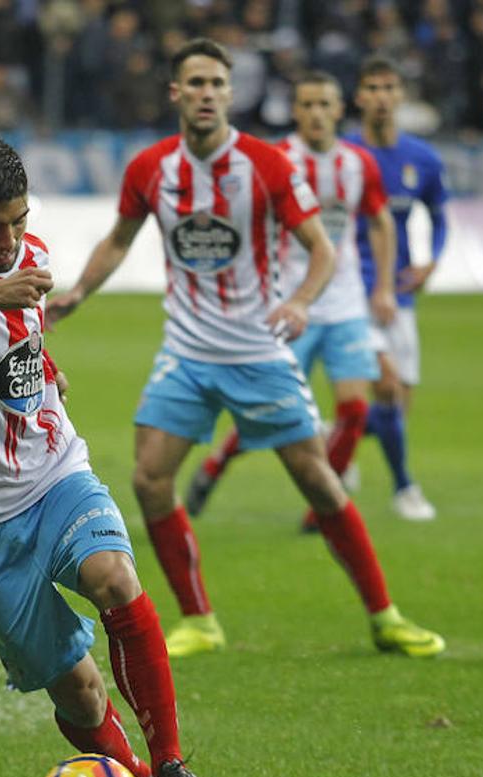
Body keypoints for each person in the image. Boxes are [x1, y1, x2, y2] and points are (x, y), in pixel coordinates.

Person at [48, 38, 445, 660]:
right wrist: (77, 293)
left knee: (318, 480)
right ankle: (198, 620)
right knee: (150, 478)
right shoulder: (153, 167)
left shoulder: (264, 164)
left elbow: (322, 248)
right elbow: (119, 239)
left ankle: (384, 615)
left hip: (258, 350)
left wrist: (301, 302)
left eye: (217, 84)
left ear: (230, 94)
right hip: (187, 350)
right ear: (176, 93)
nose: (207, 94)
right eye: (195, 83)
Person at [0, 135, 219, 777]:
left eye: (19, 220)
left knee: (115, 578)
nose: (8, 240)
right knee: (81, 693)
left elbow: (20, 344)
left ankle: (173, 765)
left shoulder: (31, 257)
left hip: (54, 470)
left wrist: (45, 367)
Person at [185, 71, 398, 533]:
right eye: (308, 105)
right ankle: (215, 466)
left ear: (340, 110)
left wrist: (383, 286)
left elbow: (381, 221)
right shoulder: (275, 159)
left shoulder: (359, 163)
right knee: (267, 409)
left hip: (344, 304)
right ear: (296, 111)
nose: (317, 113)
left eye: (325, 104)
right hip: (287, 304)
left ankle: (321, 509)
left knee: (355, 410)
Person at [347, 55, 450, 521]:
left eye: (390, 88)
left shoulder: (422, 159)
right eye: (373, 88)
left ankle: (340, 435)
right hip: (352, 291)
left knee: (398, 408)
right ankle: (405, 489)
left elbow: (440, 216)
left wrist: (431, 262)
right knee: (386, 387)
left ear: (401, 96)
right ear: (359, 97)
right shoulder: (344, 156)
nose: (382, 97)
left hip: (400, 292)